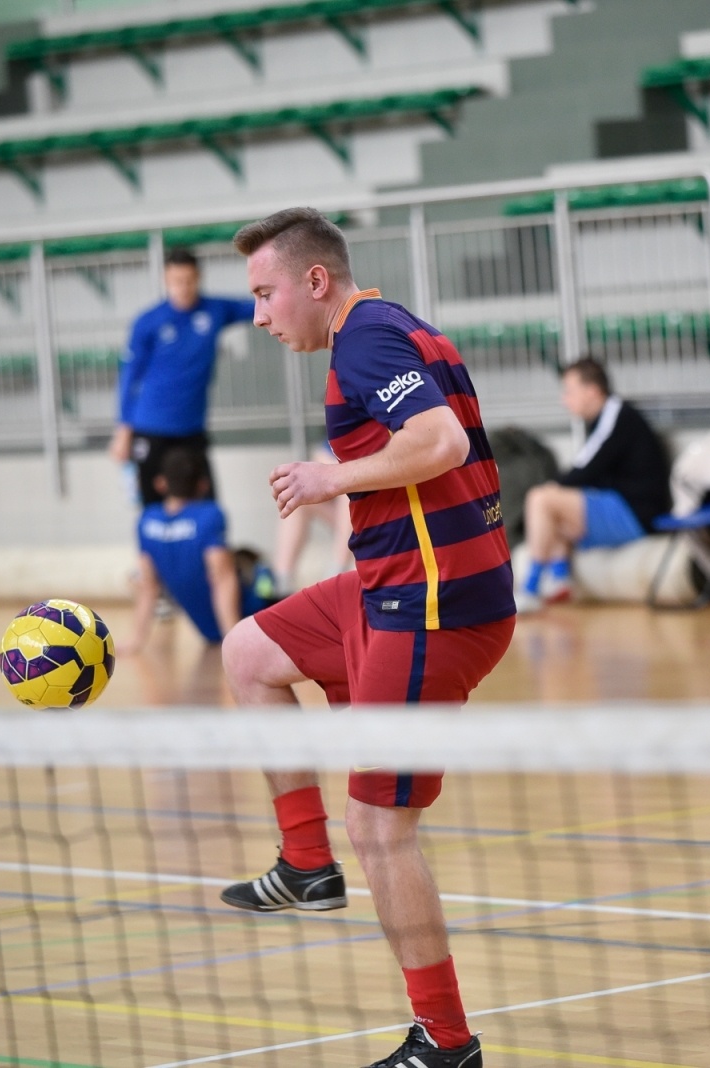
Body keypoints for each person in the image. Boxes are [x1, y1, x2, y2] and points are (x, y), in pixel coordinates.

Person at [219, 207, 514, 1068]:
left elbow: (440, 440)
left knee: (380, 828)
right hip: (389, 585)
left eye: (267, 292)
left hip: (432, 605)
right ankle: (305, 866)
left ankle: (446, 1042)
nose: (261, 314)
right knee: (250, 652)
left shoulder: (367, 342)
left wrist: (328, 478)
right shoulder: (390, 327)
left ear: (317, 281)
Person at [518, 358, 671, 610]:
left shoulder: (617, 414)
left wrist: (552, 487)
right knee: (552, 510)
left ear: (592, 391)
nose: (564, 399)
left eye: (569, 391)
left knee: (541, 499)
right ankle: (559, 579)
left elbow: (587, 468)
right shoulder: (605, 419)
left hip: (635, 513)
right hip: (621, 507)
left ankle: (530, 589)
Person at [109, 247, 255, 507]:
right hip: (150, 426)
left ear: (198, 277)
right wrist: (123, 429)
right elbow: (129, 376)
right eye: (177, 281)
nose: (184, 287)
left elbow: (258, 306)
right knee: (151, 508)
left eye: (189, 280)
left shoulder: (214, 311)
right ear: (166, 280)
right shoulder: (148, 321)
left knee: (206, 508)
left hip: (191, 430)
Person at [119, 445, 241, 655]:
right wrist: (234, 638)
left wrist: (135, 640)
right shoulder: (210, 515)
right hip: (248, 618)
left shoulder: (147, 521)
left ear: (160, 484)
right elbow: (222, 577)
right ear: (203, 485)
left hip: (208, 631)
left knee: (132, 578)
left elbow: (148, 585)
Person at [271, 445, 353, 595]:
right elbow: (320, 456)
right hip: (353, 517)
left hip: (383, 515)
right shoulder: (343, 428)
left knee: (348, 489)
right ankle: (282, 581)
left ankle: (337, 571)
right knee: (296, 494)